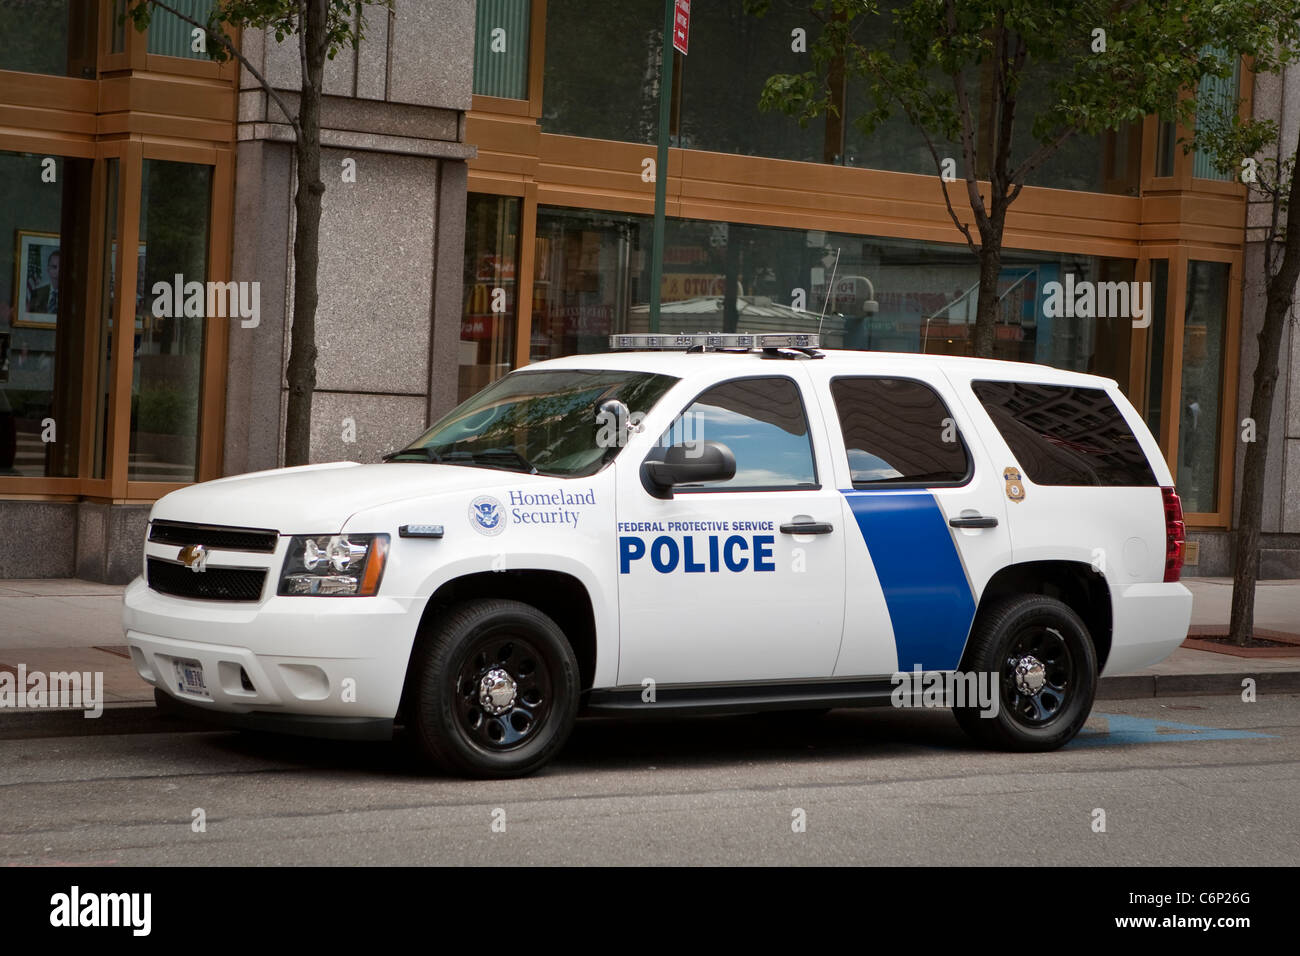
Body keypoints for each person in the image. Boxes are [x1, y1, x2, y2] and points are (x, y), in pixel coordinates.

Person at [26, 248, 60, 315]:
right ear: (48, 269)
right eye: (54, 266)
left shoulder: (71, 295)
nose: (58, 270)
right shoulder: (36, 293)